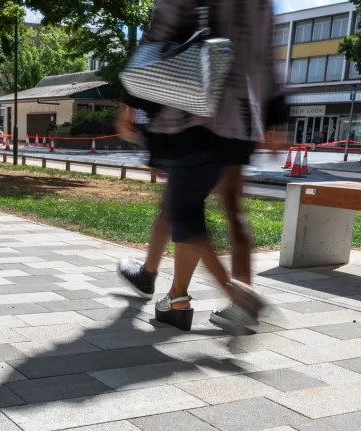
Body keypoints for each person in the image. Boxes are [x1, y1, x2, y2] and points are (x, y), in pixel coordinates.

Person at [114, 0, 284, 332]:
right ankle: (176, 299)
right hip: (240, 118)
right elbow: (267, 59)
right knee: (204, 207)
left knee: (183, 212)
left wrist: (129, 102)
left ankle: (241, 300)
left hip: (191, 110)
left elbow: (158, 34)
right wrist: (278, 115)